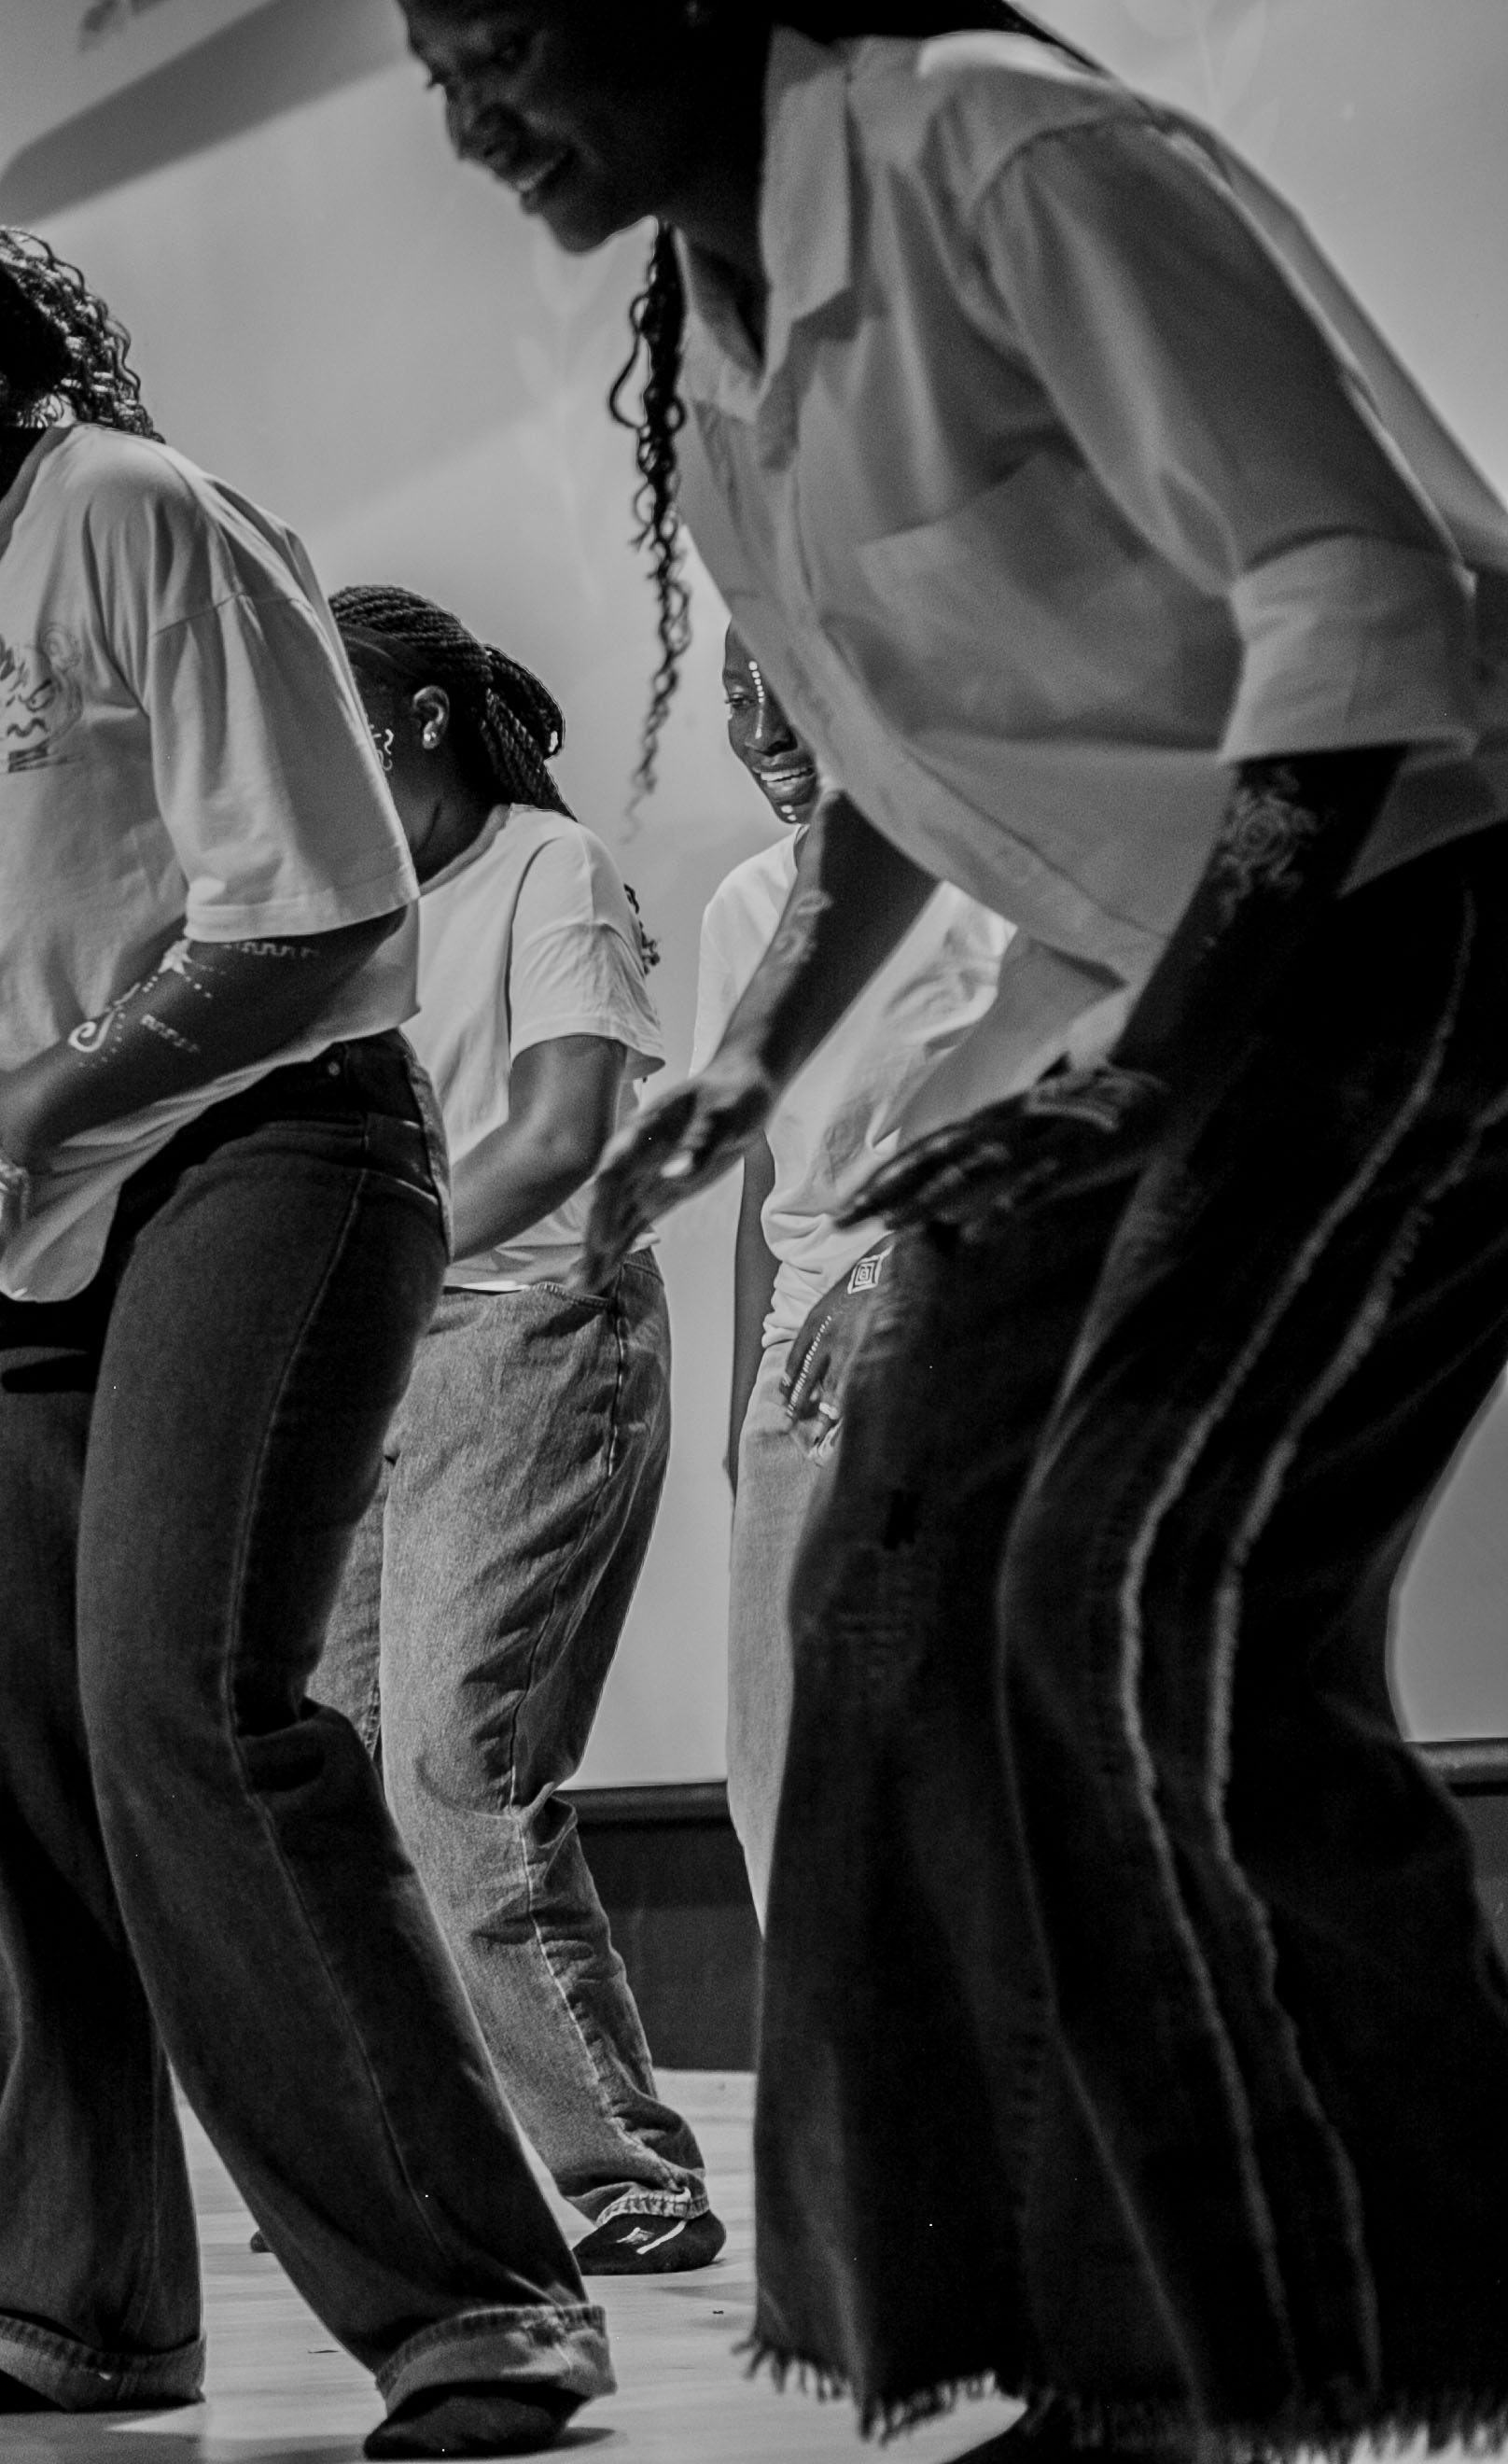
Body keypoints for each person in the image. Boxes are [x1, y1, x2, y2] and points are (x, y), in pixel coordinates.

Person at [404, 5, 1508, 2451]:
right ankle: (1104, 2357)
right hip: (1166, 983)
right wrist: (744, 1065)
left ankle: (1321, 2329)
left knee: (1133, 1586)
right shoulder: (715, 358)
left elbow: (1359, 594)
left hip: (1422, 917)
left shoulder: (1000, 155)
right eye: (430, 68)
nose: (471, 113)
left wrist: (1155, 1061)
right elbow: (900, 776)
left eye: (507, 38)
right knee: (888, 1600)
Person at [0, 167, 607, 2457]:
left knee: (182, 1703)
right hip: (49, 1189)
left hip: (275, 1153)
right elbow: (12, 933)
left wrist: (30, 1109)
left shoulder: (129, 513)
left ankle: (479, 2301)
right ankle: (75, 2305)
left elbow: (324, 922)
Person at [305, 584, 715, 2273]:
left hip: (527, 1337)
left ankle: (628, 2173)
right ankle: (404, 2163)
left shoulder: (554, 869)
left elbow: (557, 1137)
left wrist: (364, 1261)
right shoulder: (335, 906)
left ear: (415, 721)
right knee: (324, 1774)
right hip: (367, 1358)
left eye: (330, 721)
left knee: (455, 1763)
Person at [697, 633, 1007, 1914]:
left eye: (789, 690)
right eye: (735, 699)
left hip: (956, 1326)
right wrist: (741, 1421)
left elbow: (1050, 1097)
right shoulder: (744, 908)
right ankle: (830, 2045)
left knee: (942, 1760)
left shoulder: (988, 867)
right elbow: (765, 1182)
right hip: (797, 1372)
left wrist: (895, 1269)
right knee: (775, 1783)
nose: (764, 731)